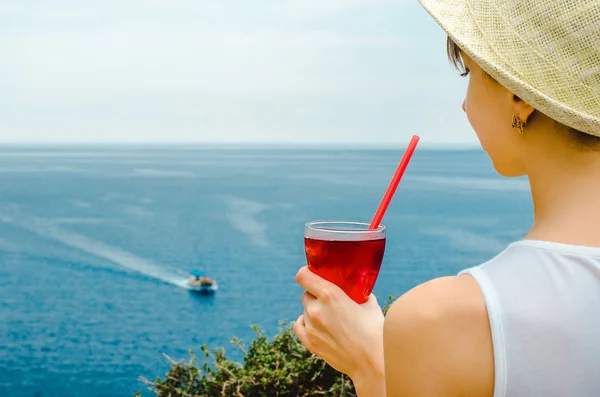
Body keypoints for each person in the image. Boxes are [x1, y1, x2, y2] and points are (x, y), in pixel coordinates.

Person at [293, 0, 600, 396]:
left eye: (468, 71)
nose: (463, 103)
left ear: (519, 96)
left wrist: (370, 362)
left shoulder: (444, 322)